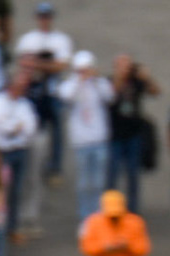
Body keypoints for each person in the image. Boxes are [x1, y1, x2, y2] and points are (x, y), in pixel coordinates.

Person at [15, 1, 73, 184]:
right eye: (41, 16)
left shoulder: (61, 39)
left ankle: (54, 167)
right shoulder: (28, 39)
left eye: (47, 16)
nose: (44, 20)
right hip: (33, 90)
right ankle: (31, 165)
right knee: (32, 127)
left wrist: (37, 64)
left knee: (56, 130)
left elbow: (61, 65)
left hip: (53, 91)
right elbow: (24, 64)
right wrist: (47, 65)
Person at [60, 49, 113, 224]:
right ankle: (85, 218)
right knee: (84, 184)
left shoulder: (100, 84)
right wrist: (78, 81)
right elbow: (66, 96)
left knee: (98, 182)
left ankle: (98, 217)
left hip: (99, 140)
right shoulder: (70, 84)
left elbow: (110, 97)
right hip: (81, 141)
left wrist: (96, 80)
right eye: (81, 69)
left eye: (87, 69)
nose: (84, 73)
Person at [0, 70, 36, 246]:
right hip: (1, 152)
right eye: (19, 86)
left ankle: (12, 228)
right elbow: (1, 127)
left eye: (23, 86)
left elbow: (30, 127)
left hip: (20, 151)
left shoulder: (25, 104)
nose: (21, 89)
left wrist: (15, 127)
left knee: (16, 191)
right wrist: (17, 127)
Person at [104, 55, 161, 213]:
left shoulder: (137, 81)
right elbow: (111, 96)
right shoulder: (109, 81)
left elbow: (156, 92)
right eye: (122, 65)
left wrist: (147, 78)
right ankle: (110, 209)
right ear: (116, 66)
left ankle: (133, 211)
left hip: (133, 135)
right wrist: (120, 77)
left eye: (128, 65)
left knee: (133, 175)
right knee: (112, 176)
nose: (126, 68)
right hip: (115, 136)